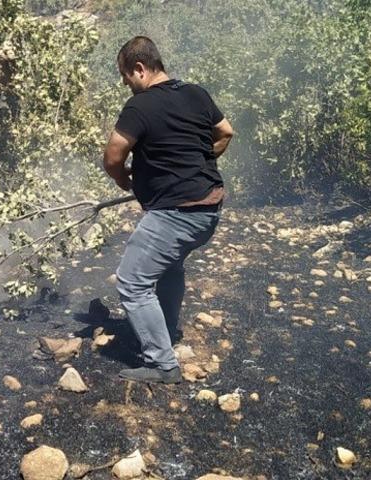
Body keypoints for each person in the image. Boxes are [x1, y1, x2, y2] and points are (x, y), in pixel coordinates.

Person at [103, 36, 234, 383]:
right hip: (208, 209)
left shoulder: (139, 106)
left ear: (140, 69)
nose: (125, 84)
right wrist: (199, 160)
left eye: (125, 76)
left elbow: (113, 157)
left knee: (132, 282)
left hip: (177, 213)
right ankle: (167, 328)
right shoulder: (196, 93)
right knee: (169, 265)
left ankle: (162, 364)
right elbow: (225, 132)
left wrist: (124, 181)